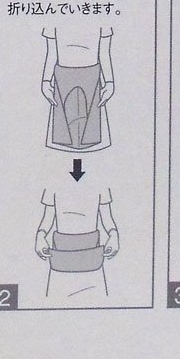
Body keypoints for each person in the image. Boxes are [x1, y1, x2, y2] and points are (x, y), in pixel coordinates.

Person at [35, 183, 120, 305]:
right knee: (55, 301)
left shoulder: (100, 183)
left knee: (97, 302)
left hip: (91, 259)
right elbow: (47, 219)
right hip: (61, 259)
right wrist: (40, 236)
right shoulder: (52, 183)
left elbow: (107, 218)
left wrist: (114, 235)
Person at [40, 21, 115, 152]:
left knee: (90, 134)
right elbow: (52, 52)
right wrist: (46, 81)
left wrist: (109, 82)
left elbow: (104, 52)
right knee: (64, 133)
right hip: (63, 75)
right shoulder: (53, 17)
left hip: (91, 74)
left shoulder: (103, 18)